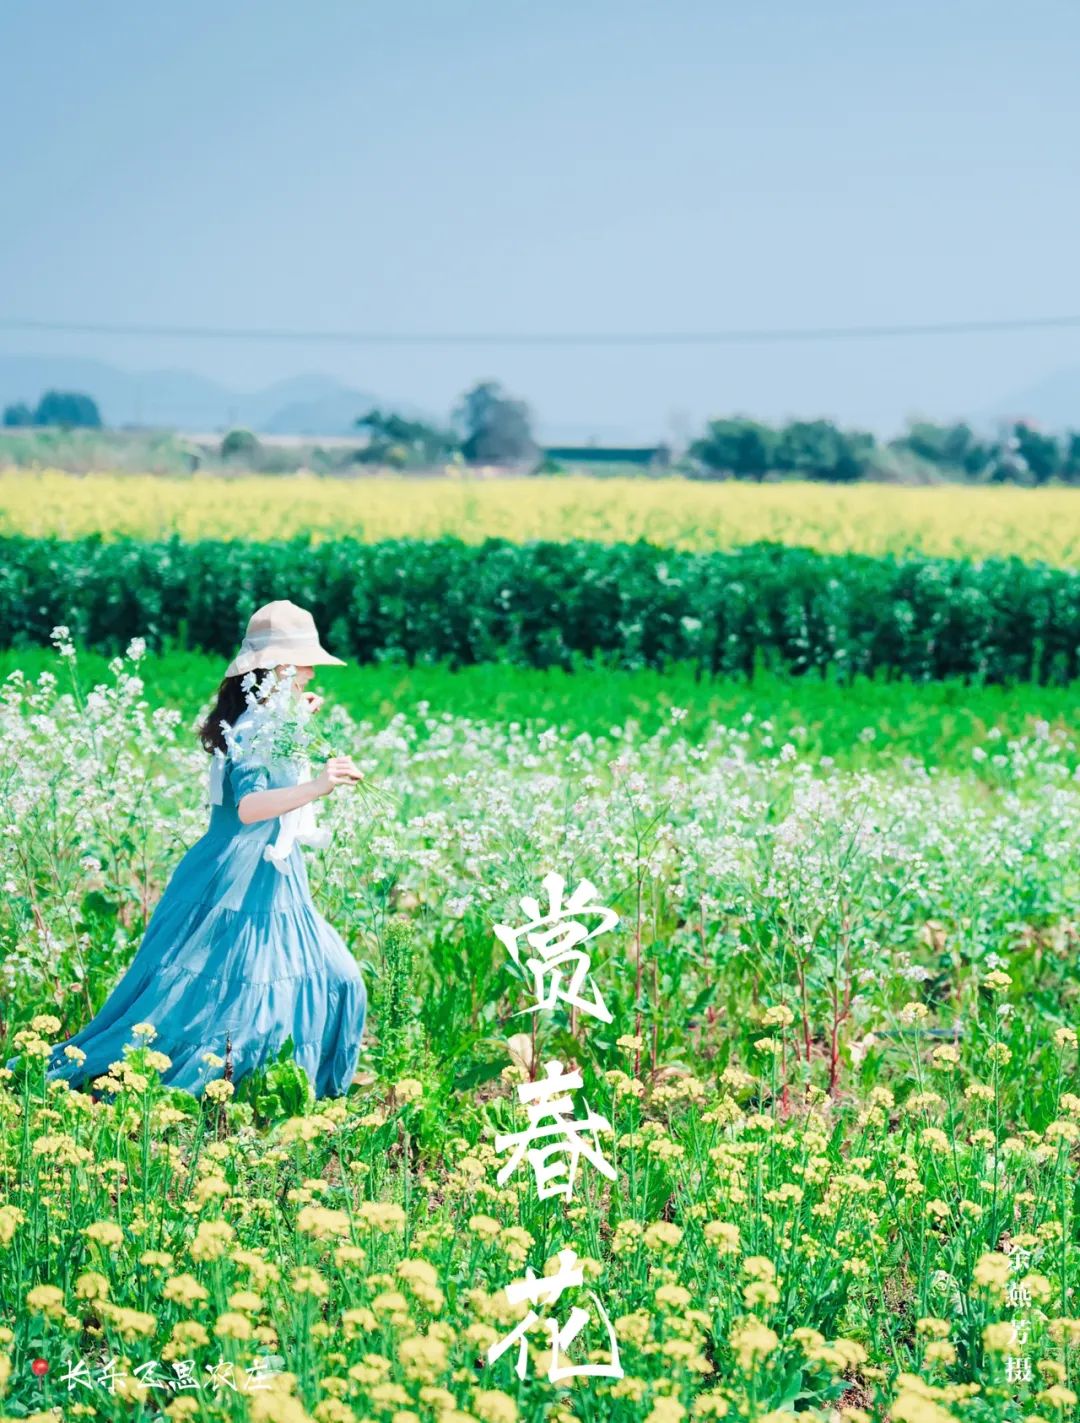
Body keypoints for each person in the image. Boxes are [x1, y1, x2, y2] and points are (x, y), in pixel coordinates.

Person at [9, 600, 369, 1100]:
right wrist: (319, 785)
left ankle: (291, 1087)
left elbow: (272, 762)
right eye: (303, 662)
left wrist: (299, 725)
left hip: (272, 872)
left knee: (336, 977)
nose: (311, 673)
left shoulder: (269, 719)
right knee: (223, 999)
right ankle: (234, 1090)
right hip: (236, 876)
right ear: (278, 667)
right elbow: (249, 807)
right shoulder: (253, 727)